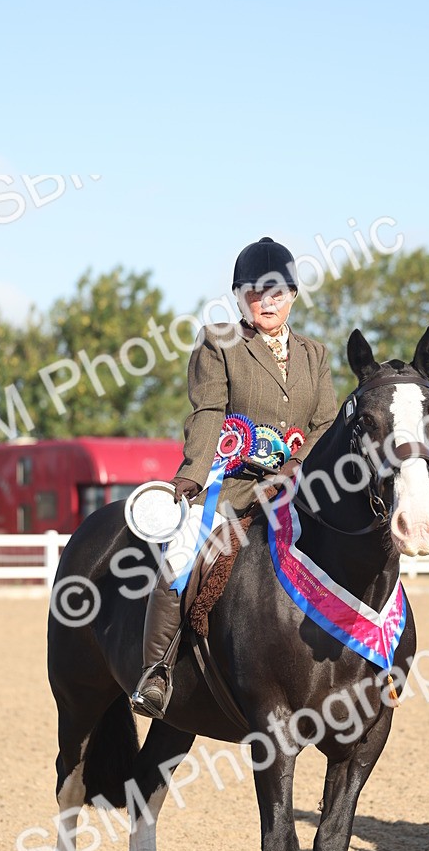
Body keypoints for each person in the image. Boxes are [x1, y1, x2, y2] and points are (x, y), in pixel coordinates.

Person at [131, 237, 338, 718]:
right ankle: (158, 672)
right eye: (255, 292)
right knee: (179, 561)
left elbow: (325, 423)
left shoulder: (316, 355)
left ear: (293, 295)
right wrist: (190, 476)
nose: (267, 301)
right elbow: (208, 411)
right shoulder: (219, 341)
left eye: (277, 292)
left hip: (299, 488)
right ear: (239, 296)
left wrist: (298, 464)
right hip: (233, 486)